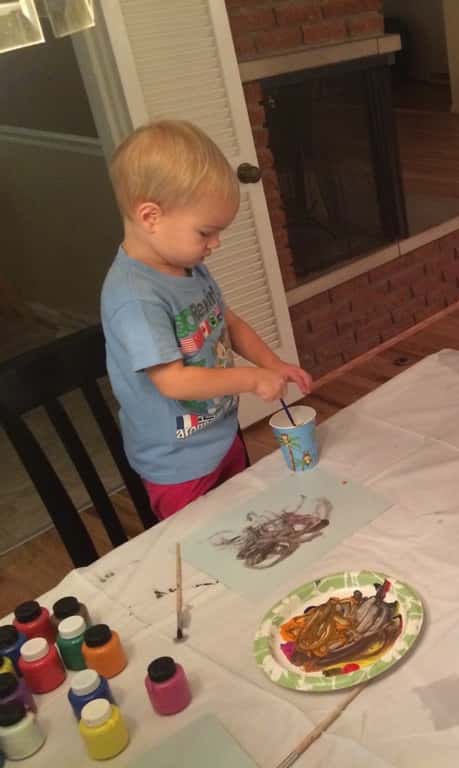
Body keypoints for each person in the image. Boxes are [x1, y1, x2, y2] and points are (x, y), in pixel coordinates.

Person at [101, 120, 312, 520]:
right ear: (150, 217)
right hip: (178, 464)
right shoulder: (135, 298)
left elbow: (226, 323)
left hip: (220, 435)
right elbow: (174, 380)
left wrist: (272, 364)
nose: (215, 244)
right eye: (205, 232)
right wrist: (251, 380)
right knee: (209, 552)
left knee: (251, 527)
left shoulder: (187, 268)